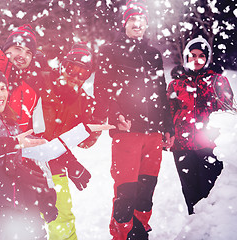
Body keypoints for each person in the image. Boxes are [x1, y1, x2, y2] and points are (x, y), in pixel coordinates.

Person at [0, 64, 114, 239]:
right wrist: (14, 143)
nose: (0, 94)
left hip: (13, 206)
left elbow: (45, 151)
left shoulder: (11, 124)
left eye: (3, 88)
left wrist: (84, 130)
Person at [93, 0, 175, 239]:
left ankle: (140, 231)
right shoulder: (110, 50)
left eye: (141, 20)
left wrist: (167, 126)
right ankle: (122, 234)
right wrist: (116, 114)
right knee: (125, 191)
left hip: (153, 134)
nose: (137, 24)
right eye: (132, 19)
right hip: (126, 132)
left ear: (146, 24)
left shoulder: (154, 54)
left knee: (146, 189)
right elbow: (103, 89)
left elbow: (161, 93)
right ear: (124, 23)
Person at [32, 43, 99, 239]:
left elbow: (84, 143)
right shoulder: (42, 83)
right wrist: (71, 162)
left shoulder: (83, 100)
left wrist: (96, 122)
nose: (76, 77)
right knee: (28, 220)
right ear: (62, 66)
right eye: (72, 69)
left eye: (83, 73)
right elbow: (43, 134)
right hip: (26, 163)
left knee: (62, 218)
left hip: (56, 167)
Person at [167, 36, 234, 215]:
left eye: (201, 56)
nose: (196, 60)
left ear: (208, 58)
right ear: (186, 57)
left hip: (211, 147)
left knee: (210, 195)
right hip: (182, 148)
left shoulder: (217, 81)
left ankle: (210, 230)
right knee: (191, 194)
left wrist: (220, 138)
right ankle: (194, 228)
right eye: (192, 55)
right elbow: (168, 114)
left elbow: (228, 114)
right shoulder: (175, 85)